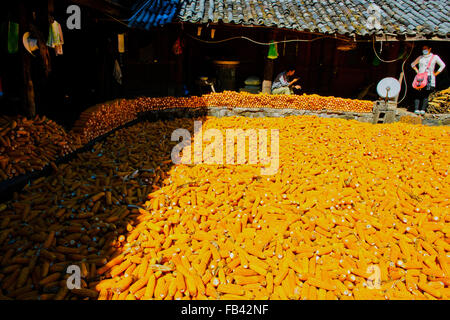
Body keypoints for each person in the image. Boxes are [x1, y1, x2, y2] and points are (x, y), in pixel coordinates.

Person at [411, 45, 446, 115]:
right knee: (417, 93)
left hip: (429, 77)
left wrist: (436, 73)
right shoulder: (420, 57)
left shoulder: (434, 57)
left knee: (425, 94)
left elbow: (442, 65)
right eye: (423, 49)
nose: (424, 50)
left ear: (430, 49)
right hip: (420, 78)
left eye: (426, 49)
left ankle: (423, 109)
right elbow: (412, 64)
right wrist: (417, 71)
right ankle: (416, 109)